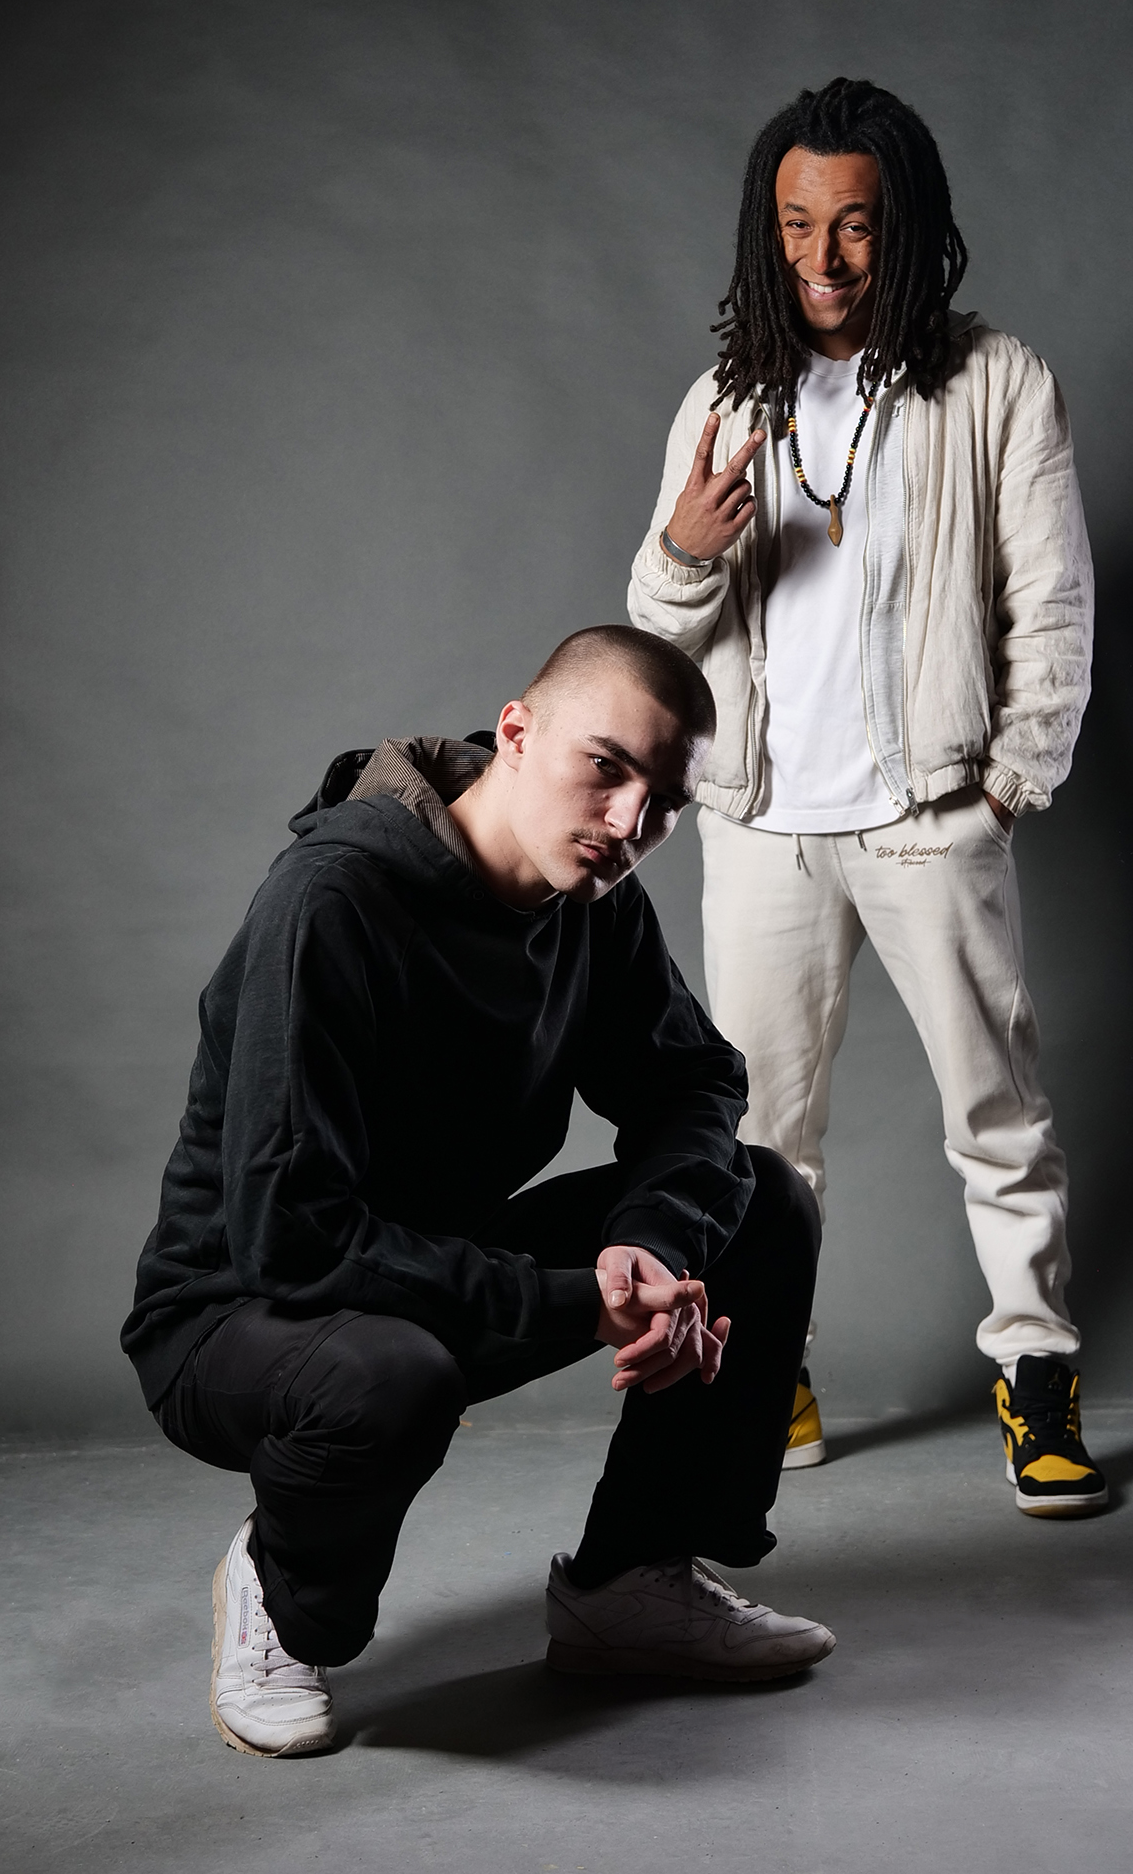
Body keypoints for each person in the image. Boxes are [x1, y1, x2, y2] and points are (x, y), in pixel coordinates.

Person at [121, 625, 834, 1759]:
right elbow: (290, 1232)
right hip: (241, 1310)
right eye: (606, 768)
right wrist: (576, 1302)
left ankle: (631, 1584)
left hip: (429, 1270)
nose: (627, 824)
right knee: (391, 1372)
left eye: (663, 804)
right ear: (516, 732)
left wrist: (645, 1247)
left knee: (760, 1201)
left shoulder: (590, 897)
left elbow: (691, 1081)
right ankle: (281, 1598)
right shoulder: (332, 900)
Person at [627, 78, 1105, 1517]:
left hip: (927, 817)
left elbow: (1052, 599)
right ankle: (772, 1370)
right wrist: (683, 549)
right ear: (763, 230)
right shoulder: (725, 400)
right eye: (794, 225)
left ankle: (1036, 1373)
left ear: (905, 227)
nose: (822, 258)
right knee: (761, 1140)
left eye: (851, 225)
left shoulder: (996, 384)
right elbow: (656, 640)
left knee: (996, 1115)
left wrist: (1009, 782)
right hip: (761, 825)